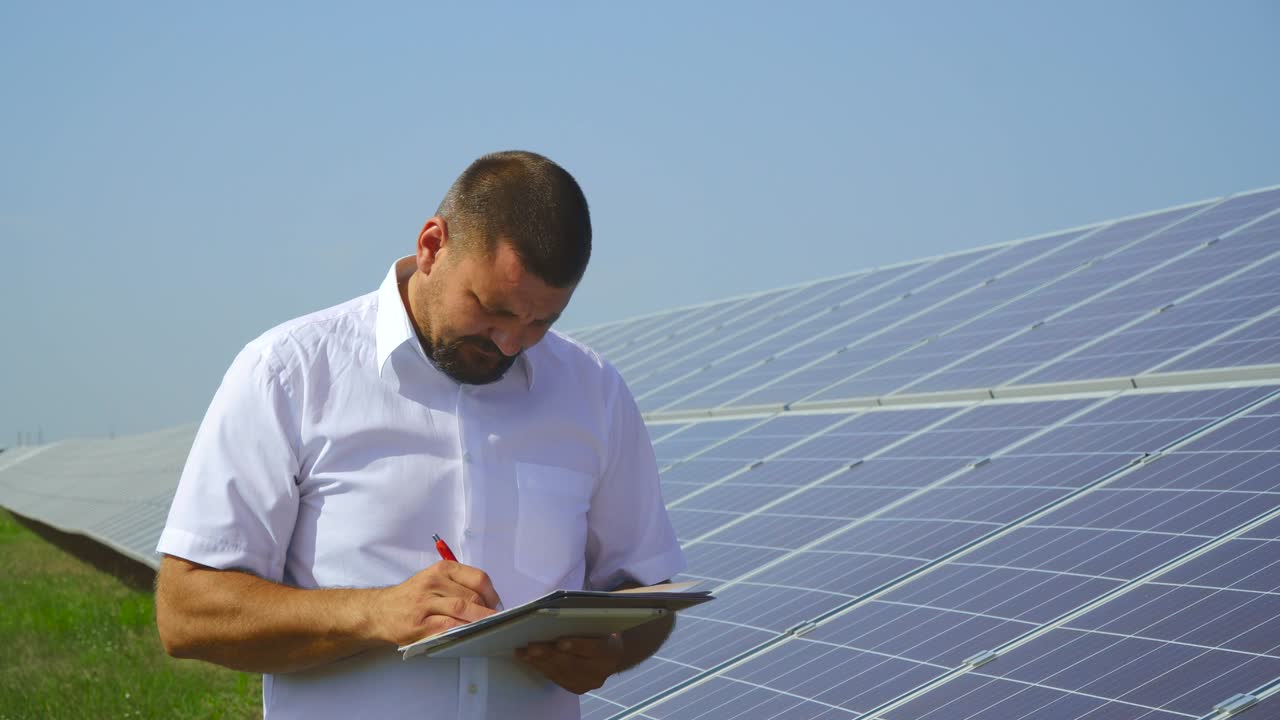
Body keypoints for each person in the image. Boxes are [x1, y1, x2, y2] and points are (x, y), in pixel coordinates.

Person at [154, 150, 685, 720]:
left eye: (540, 322)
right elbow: (186, 613)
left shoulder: (595, 393)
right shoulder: (288, 374)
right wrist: (375, 614)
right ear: (432, 246)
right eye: (492, 309)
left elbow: (646, 591)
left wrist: (613, 647)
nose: (509, 343)